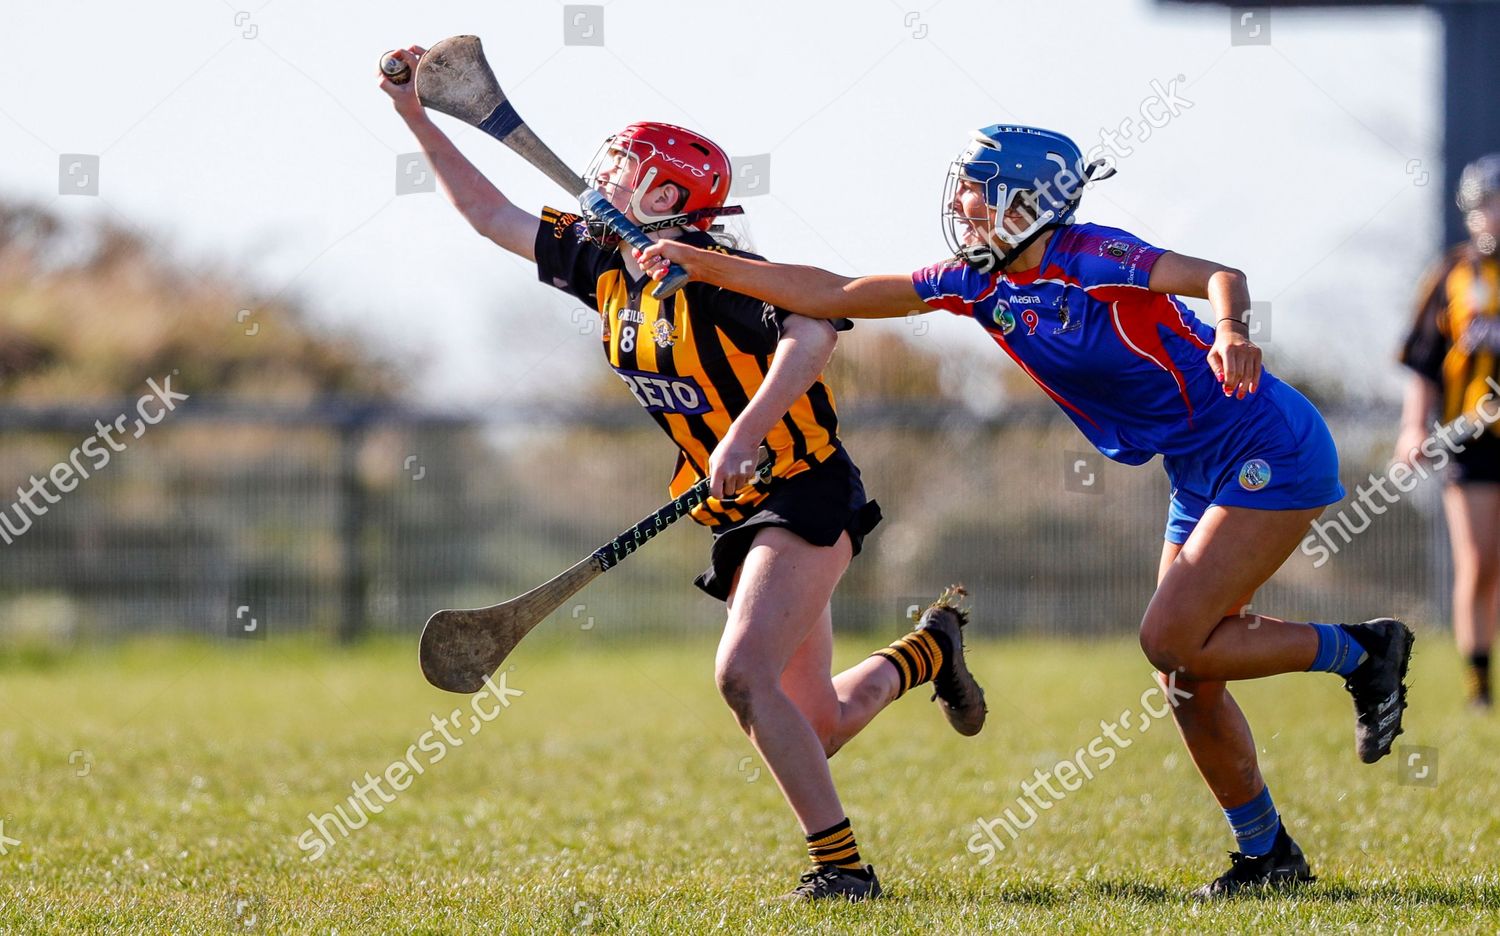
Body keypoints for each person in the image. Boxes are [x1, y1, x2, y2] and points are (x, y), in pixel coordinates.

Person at [639, 123, 1415, 899]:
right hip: (1196, 467)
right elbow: (836, 294)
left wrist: (1235, 332)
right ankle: (1269, 855)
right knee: (1186, 673)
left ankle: (1363, 651)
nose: (961, 206)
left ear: (1026, 200)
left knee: (1169, 642)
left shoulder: (1093, 256)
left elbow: (1221, 275)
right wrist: (701, 261)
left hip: (1267, 443)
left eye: (976, 191)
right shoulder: (978, 282)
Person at [379, 47, 987, 902]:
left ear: (666, 198)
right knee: (813, 724)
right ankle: (929, 651)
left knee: (743, 677)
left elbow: (813, 333)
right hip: (732, 508)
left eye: (624, 169)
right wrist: (414, 116)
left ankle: (843, 871)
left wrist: (745, 431)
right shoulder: (602, 259)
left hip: (803, 490)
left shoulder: (712, 271)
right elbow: (489, 215)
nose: (604, 177)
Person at [1398, 154, 1500, 710]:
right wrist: (1413, 426)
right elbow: (1424, 361)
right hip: (1472, 438)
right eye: (1488, 203)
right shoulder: (1453, 275)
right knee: (1479, 561)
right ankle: (1478, 685)